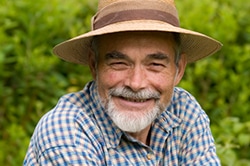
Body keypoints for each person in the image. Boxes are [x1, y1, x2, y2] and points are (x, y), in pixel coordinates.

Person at [24, 0, 222, 165]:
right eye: (119, 63)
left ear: (178, 69)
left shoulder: (183, 110)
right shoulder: (67, 130)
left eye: (154, 64)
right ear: (94, 65)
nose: (136, 83)